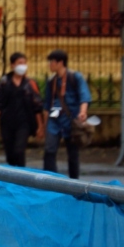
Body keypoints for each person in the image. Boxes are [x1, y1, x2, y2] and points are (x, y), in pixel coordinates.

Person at [0, 52, 43, 167]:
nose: (23, 66)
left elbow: (37, 106)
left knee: (19, 150)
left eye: (24, 63)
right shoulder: (5, 82)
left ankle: (21, 176)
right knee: (10, 153)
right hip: (7, 122)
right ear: (12, 65)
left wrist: (40, 126)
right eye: (19, 63)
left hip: (24, 123)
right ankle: (11, 176)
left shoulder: (30, 84)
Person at [42, 49, 91, 178]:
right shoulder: (51, 82)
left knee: (73, 154)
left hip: (71, 120)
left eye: (52, 62)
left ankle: (74, 183)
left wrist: (82, 112)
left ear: (60, 63)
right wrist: (44, 127)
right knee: (49, 151)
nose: (50, 65)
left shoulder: (75, 77)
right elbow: (47, 105)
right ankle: (50, 181)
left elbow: (84, 96)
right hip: (54, 120)